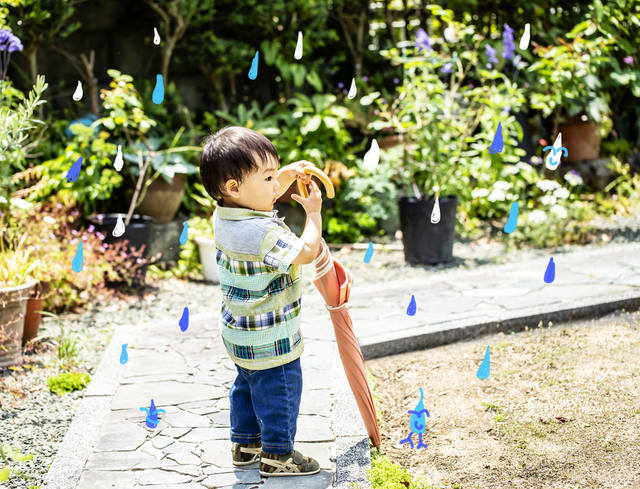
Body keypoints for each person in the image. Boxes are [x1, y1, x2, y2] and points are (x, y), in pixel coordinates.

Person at [199, 126, 323, 477]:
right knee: (279, 393)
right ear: (234, 187)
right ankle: (278, 455)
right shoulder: (264, 233)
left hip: (240, 333)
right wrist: (313, 215)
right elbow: (306, 251)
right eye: (268, 177)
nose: (276, 186)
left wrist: (281, 175)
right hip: (271, 338)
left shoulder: (225, 215)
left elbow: (258, 197)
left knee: (247, 386)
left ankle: (245, 444)